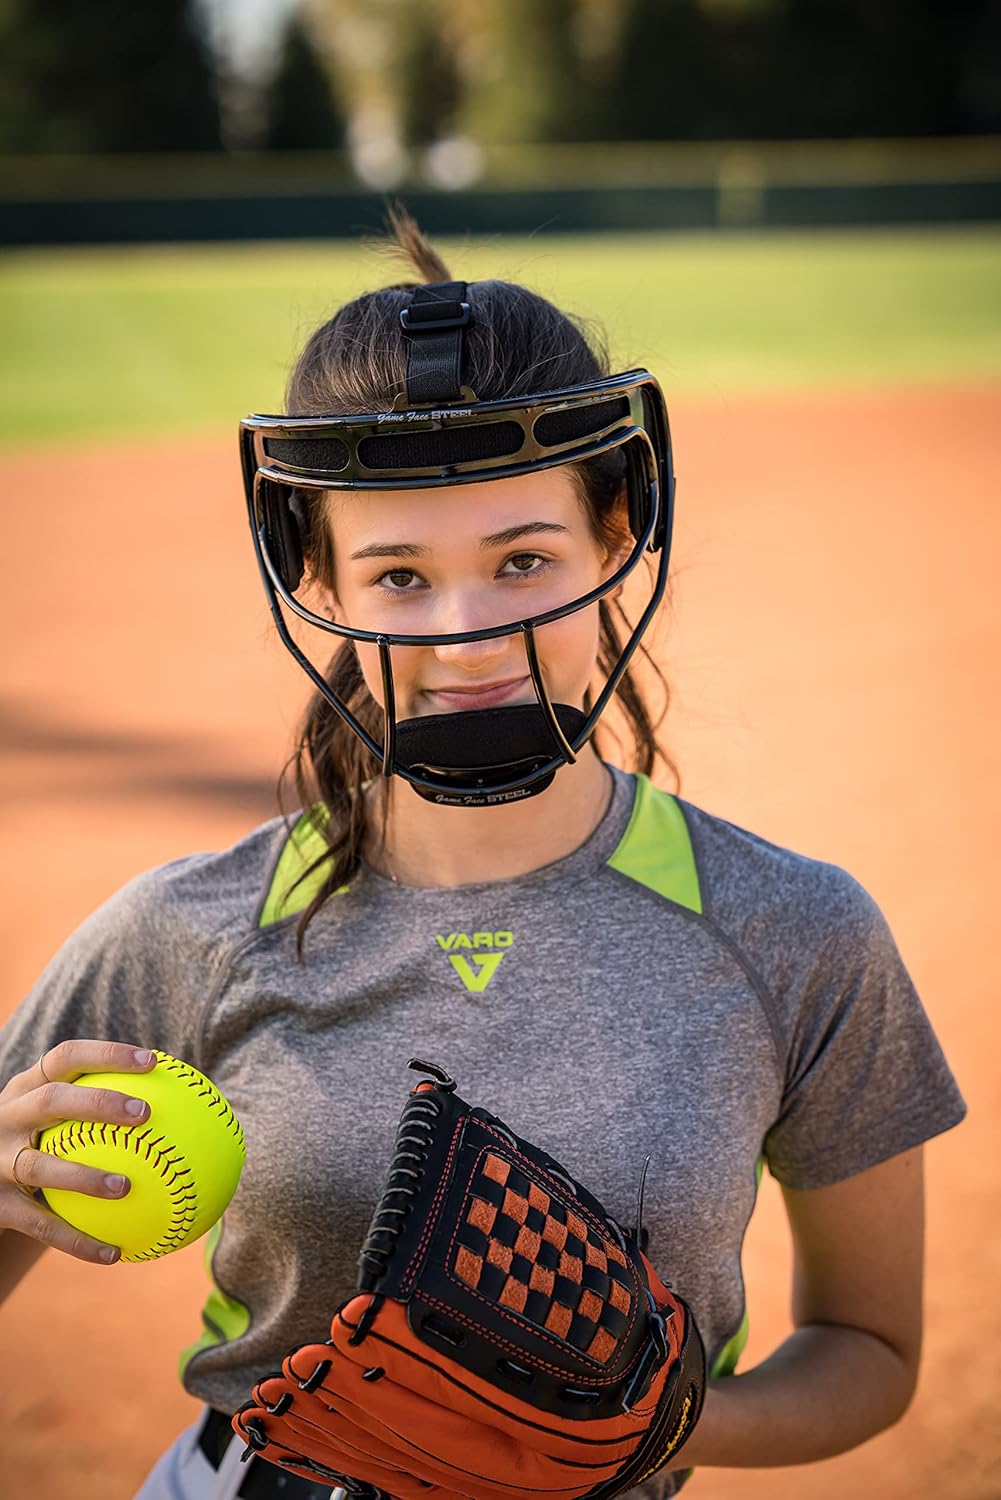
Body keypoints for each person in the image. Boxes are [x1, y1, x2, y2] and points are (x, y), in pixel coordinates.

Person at [0, 210, 967, 1500]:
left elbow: (870, 1349)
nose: (469, 634)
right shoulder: (189, 929)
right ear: (322, 582)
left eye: (524, 559)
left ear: (616, 535)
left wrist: (666, 1422)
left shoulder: (792, 929)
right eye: (399, 576)